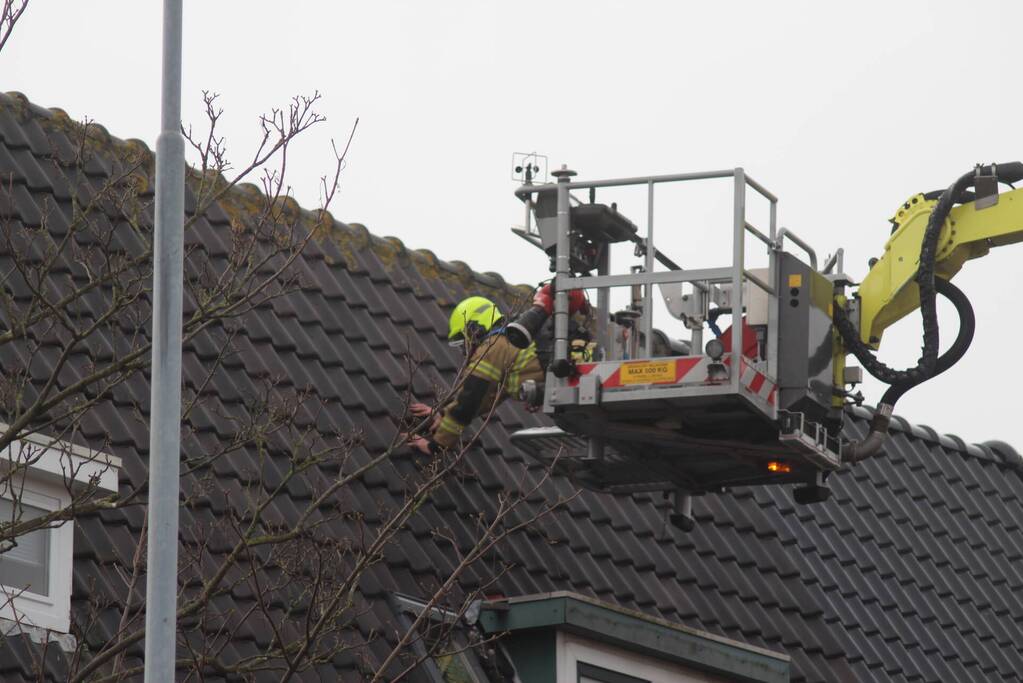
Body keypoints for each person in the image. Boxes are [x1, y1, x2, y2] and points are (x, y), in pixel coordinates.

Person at [407, 287, 586, 454]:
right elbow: (487, 397)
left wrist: (436, 445)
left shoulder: (493, 347)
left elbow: (471, 398)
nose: (465, 349)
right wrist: (442, 413)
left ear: (474, 328)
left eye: (464, 339)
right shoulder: (510, 343)